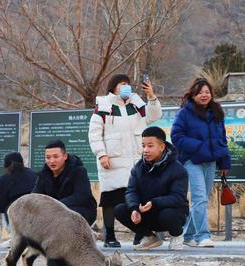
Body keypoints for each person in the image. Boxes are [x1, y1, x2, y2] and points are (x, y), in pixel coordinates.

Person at [88, 73, 162, 247]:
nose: (125, 87)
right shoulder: (103, 105)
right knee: (110, 198)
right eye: (122, 84)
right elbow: (94, 133)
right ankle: (110, 237)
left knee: (138, 198)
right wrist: (101, 154)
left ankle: (139, 233)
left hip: (136, 159)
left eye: (128, 84)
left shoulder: (137, 104)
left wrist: (151, 96)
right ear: (113, 87)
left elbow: (154, 116)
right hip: (113, 160)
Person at [171, 78, 231, 248]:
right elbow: (176, 136)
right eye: (200, 92)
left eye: (207, 92)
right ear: (193, 95)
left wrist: (224, 163)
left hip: (211, 161)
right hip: (192, 160)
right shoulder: (184, 113)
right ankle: (202, 236)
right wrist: (198, 147)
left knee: (203, 198)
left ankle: (187, 234)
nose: (204, 95)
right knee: (199, 198)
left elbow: (222, 139)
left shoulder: (217, 112)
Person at [115, 127, 189, 251]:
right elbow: (131, 191)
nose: (145, 150)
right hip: (146, 212)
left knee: (168, 214)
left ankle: (177, 236)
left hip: (170, 214)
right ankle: (149, 238)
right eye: (143, 146)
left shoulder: (178, 169)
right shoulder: (138, 167)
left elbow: (178, 198)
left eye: (150, 146)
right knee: (120, 210)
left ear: (162, 147)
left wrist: (154, 203)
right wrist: (134, 208)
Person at [32, 139, 97, 225]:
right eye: (48, 157)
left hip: (81, 210)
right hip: (52, 211)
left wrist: (55, 205)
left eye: (55, 156)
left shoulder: (79, 171)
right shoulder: (43, 174)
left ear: (65, 156)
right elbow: (35, 196)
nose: (52, 161)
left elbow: (82, 196)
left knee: (63, 217)